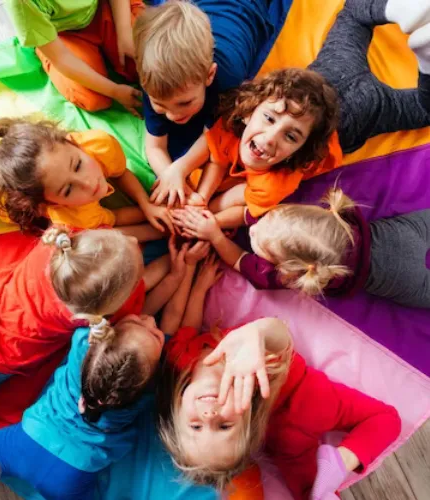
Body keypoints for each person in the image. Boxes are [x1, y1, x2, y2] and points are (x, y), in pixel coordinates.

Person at [0, 235, 211, 500]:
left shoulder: (84, 345)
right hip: (72, 471)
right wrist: (185, 273)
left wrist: (176, 273)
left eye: (150, 328)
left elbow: (143, 317)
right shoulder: (147, 391)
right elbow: (174, 317)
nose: (151, 321)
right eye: (151, 328)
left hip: (30, 438)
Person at [156, 257, 401, 499]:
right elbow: (281, 336)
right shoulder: (258, 373)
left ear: (177, 411)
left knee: (316, 482)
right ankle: (339, 464)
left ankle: (336, 465)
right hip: (304, 404)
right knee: (385, 420)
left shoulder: (179, 360)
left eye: (196, 426)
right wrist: (259, 334)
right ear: (247, 419)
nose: (210, 416)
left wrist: (199, 287)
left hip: (294, 416)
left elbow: (187, 328)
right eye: (224, 426)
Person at [173, 0, 430, 221]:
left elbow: (228, 205)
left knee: (423, 110)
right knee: (354, 13)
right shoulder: (234, 123)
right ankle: (406, 20)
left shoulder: (274, 181)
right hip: (326, 76)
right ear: (248, 111)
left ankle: (425, 59)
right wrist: (201, 198)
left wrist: (205, 214)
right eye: (270, 118)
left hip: (357, 110)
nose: (271, 137)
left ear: (303, 148)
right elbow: (218, 157)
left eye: (290, 136)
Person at [0, 225, 160, 424]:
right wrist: (175, 259)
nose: (133, 240)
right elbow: (147, 282)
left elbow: (109, 250)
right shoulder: (90, 318)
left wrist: (142, 232)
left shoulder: (55, 245)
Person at [173, 185, 430, 308]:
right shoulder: (297, 223)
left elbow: (240, 260)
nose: (253, 229)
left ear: (287, 267)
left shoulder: (289, 273)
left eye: (257, 243)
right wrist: (212, 223)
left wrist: (217, 237)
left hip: (404, 278)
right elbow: (246, 215)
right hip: (403, 235)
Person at [0, 109, 172, 234]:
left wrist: (147, 205)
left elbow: (119, 172)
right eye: (68, 190)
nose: (89, 183)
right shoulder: (70, 216)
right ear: (47, 204)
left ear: (72, 141)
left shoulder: (99, 145)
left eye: (77, 164)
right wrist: (150, 221)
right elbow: (115, 219)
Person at [133, 0, 274, 206]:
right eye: (161, 106)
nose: (172, 115)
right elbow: (154, 146)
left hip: (245, 7)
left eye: (184, 103)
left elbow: (214, 138)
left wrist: (180, 169)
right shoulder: (155, 82)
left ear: (209, 76)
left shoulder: (228, 78)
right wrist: (171, 177)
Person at [4, 0, 144, 115]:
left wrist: (124, 31)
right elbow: (61, 58)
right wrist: (114, 91)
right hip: (64, 34)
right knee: (91, 98)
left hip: (103, 6)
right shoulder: (22, 2)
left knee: (148, 56)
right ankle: (42, 45)